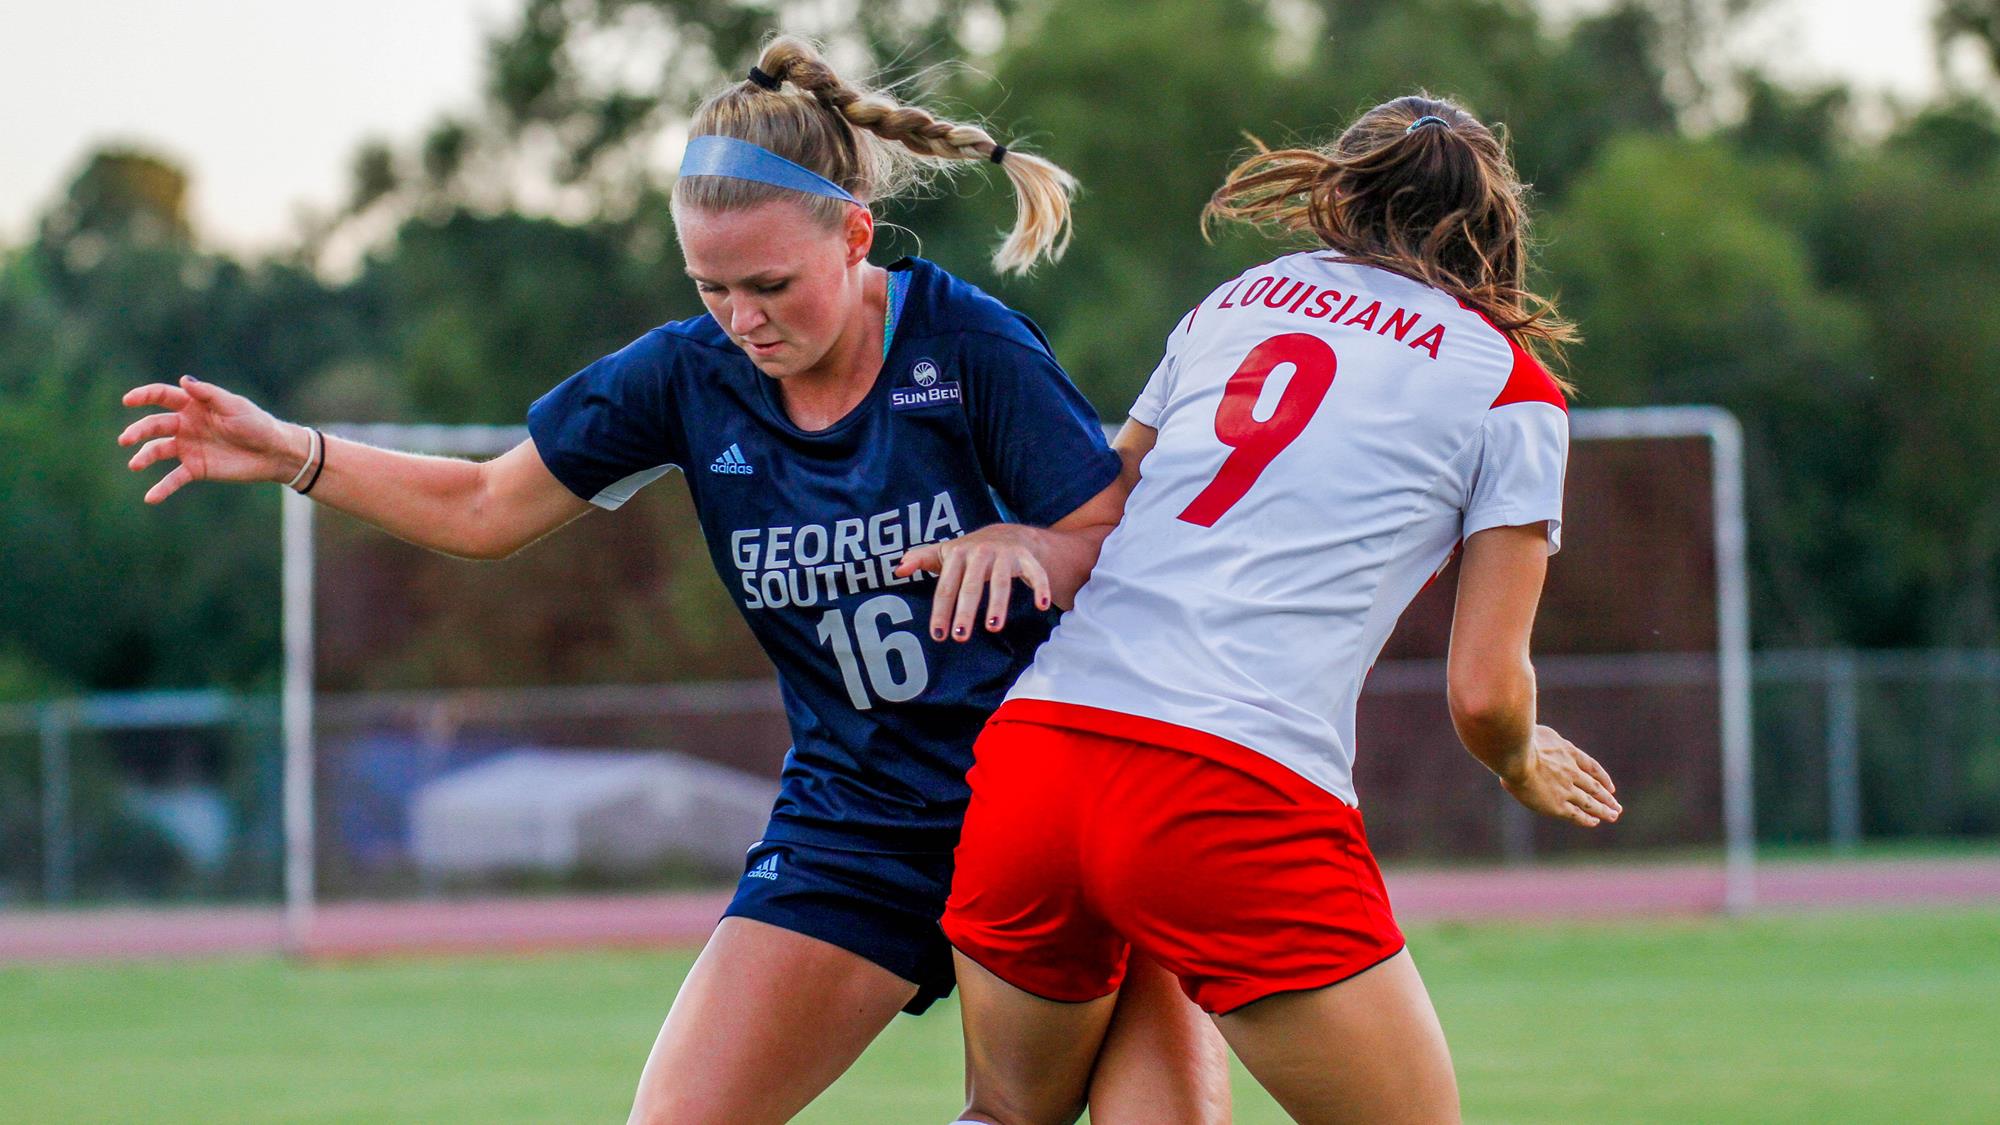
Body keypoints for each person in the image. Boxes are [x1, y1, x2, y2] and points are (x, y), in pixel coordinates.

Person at [117, 36, 1228, 1125]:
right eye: (710, 288)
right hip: (860, 820)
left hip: (1053, 808)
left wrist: (1030, 545)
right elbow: (482, 508)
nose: (742, 320)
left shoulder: (967, 347)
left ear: (852, 234)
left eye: (769, 284)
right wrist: (295, 452)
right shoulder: (685, 378)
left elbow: (1115, 539)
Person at [920, 95, 1624, 1125]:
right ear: (1493, 223)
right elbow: (1481, 694)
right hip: (1226, 794)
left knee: (1005, 1116)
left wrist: (1014, 538)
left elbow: (1103, 512)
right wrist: (1519, 760)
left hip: (1041, 759)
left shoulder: (1240, 300)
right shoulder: (1509, 386)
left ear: (1335, 192)